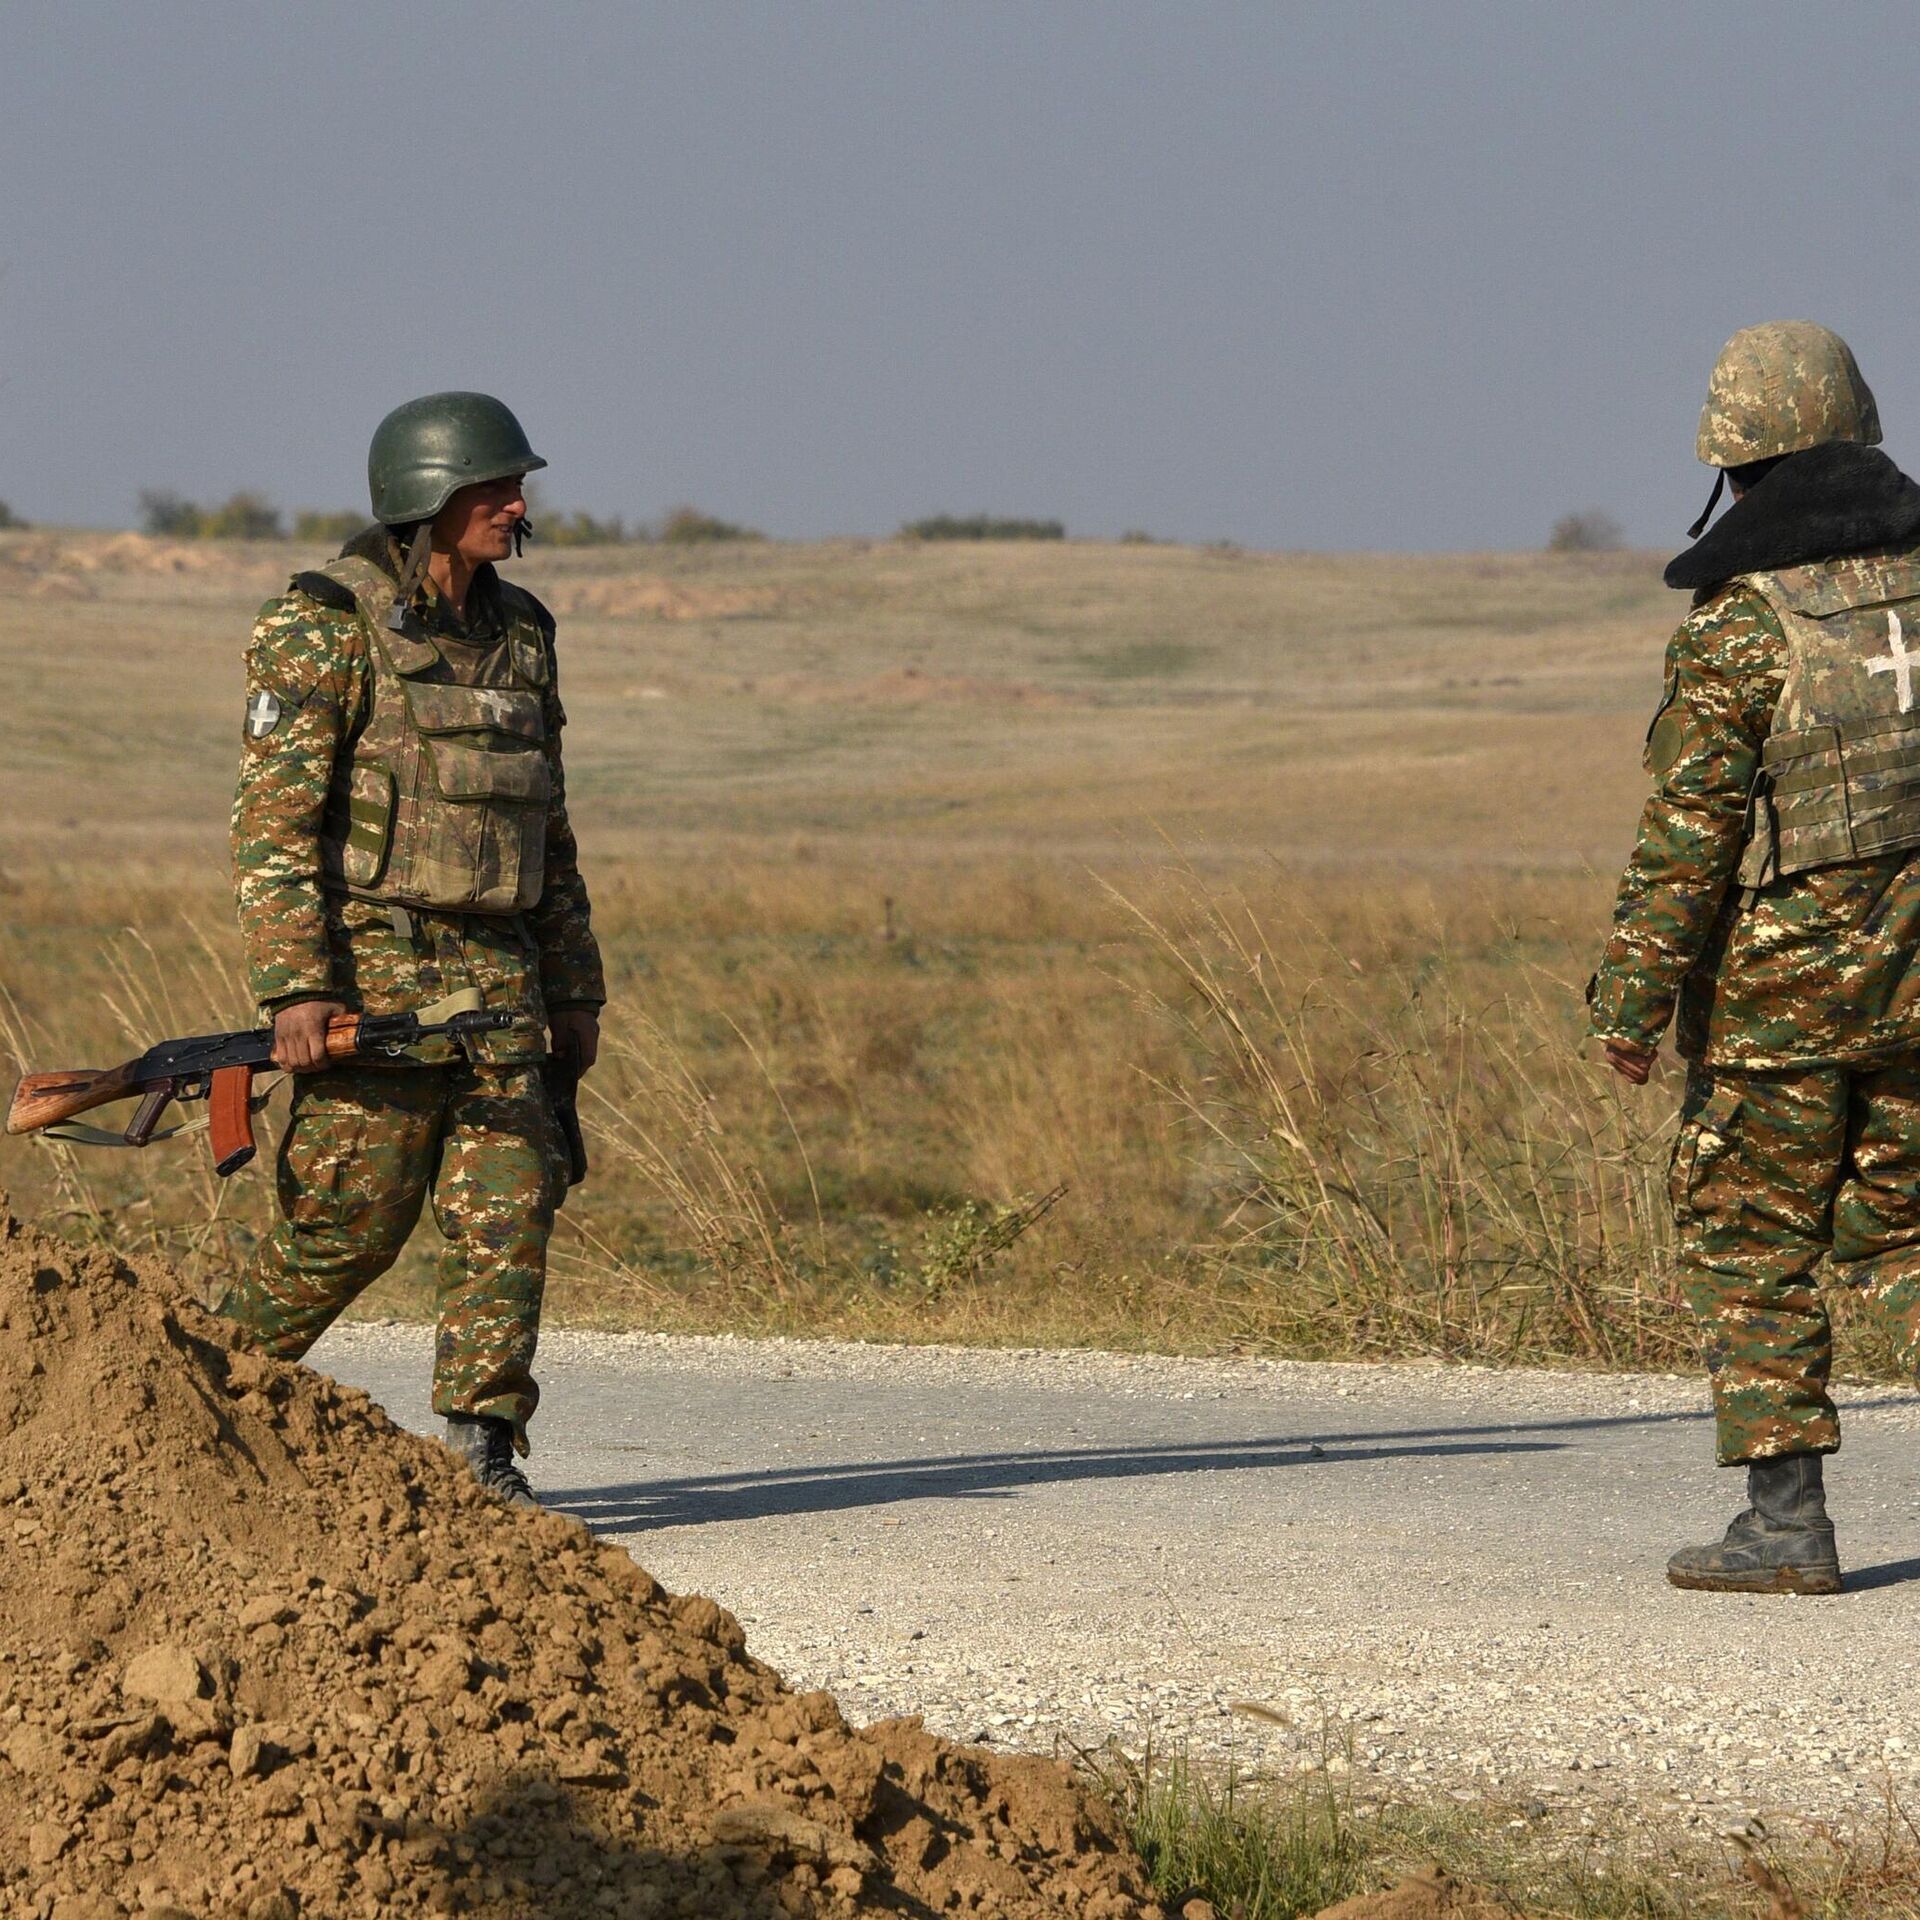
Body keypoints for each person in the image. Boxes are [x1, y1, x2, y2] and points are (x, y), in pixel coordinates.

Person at [218, 391, 605, 1506]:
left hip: (503, 989)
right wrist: (295, 984)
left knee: (508, 1211)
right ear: (425, 500)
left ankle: (483, 1454)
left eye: (516, 487)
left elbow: (551, 824)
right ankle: (190, 1392)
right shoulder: (323, 626)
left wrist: (574, 986)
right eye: (492, 489)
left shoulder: (523, 633)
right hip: (371, 988)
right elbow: (274, 828)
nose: (516, 504)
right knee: (347, 1226)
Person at [1589, 322, 1920, 1594]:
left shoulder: (1741, 630)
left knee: (1752, 1236)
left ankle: (1787, 1527)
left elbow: (1688, 844)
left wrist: (1631, 1001)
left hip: (1777, 1016)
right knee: (1902, 1237)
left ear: (1734, 460)